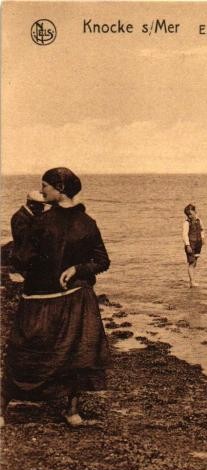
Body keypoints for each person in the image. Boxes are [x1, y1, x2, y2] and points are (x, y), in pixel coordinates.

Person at [2, 167, 110, 427]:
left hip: (40, 300)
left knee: (23, 352)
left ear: (59, 189)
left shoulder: (40, 222)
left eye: (44, 186)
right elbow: (102, 261)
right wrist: (78, 269)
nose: (41, 191)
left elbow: (20, 258)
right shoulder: (87, 222)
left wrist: (25, 213)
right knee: (77, 354)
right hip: (76, 298)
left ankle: (2, 411)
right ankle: (72, 412)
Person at [182, 204, 205, 288]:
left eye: (191, 214)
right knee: (191, 263)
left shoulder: (199, 220)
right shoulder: (186, 223)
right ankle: (192, 282)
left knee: (195, 262)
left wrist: (202, 238)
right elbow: (184, 234)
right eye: (188, 215)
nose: (190, 216)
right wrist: (187, 245)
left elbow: (202, 229)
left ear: (195, 212)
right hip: (191, 244)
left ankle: (193, 279)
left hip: (198, 243)